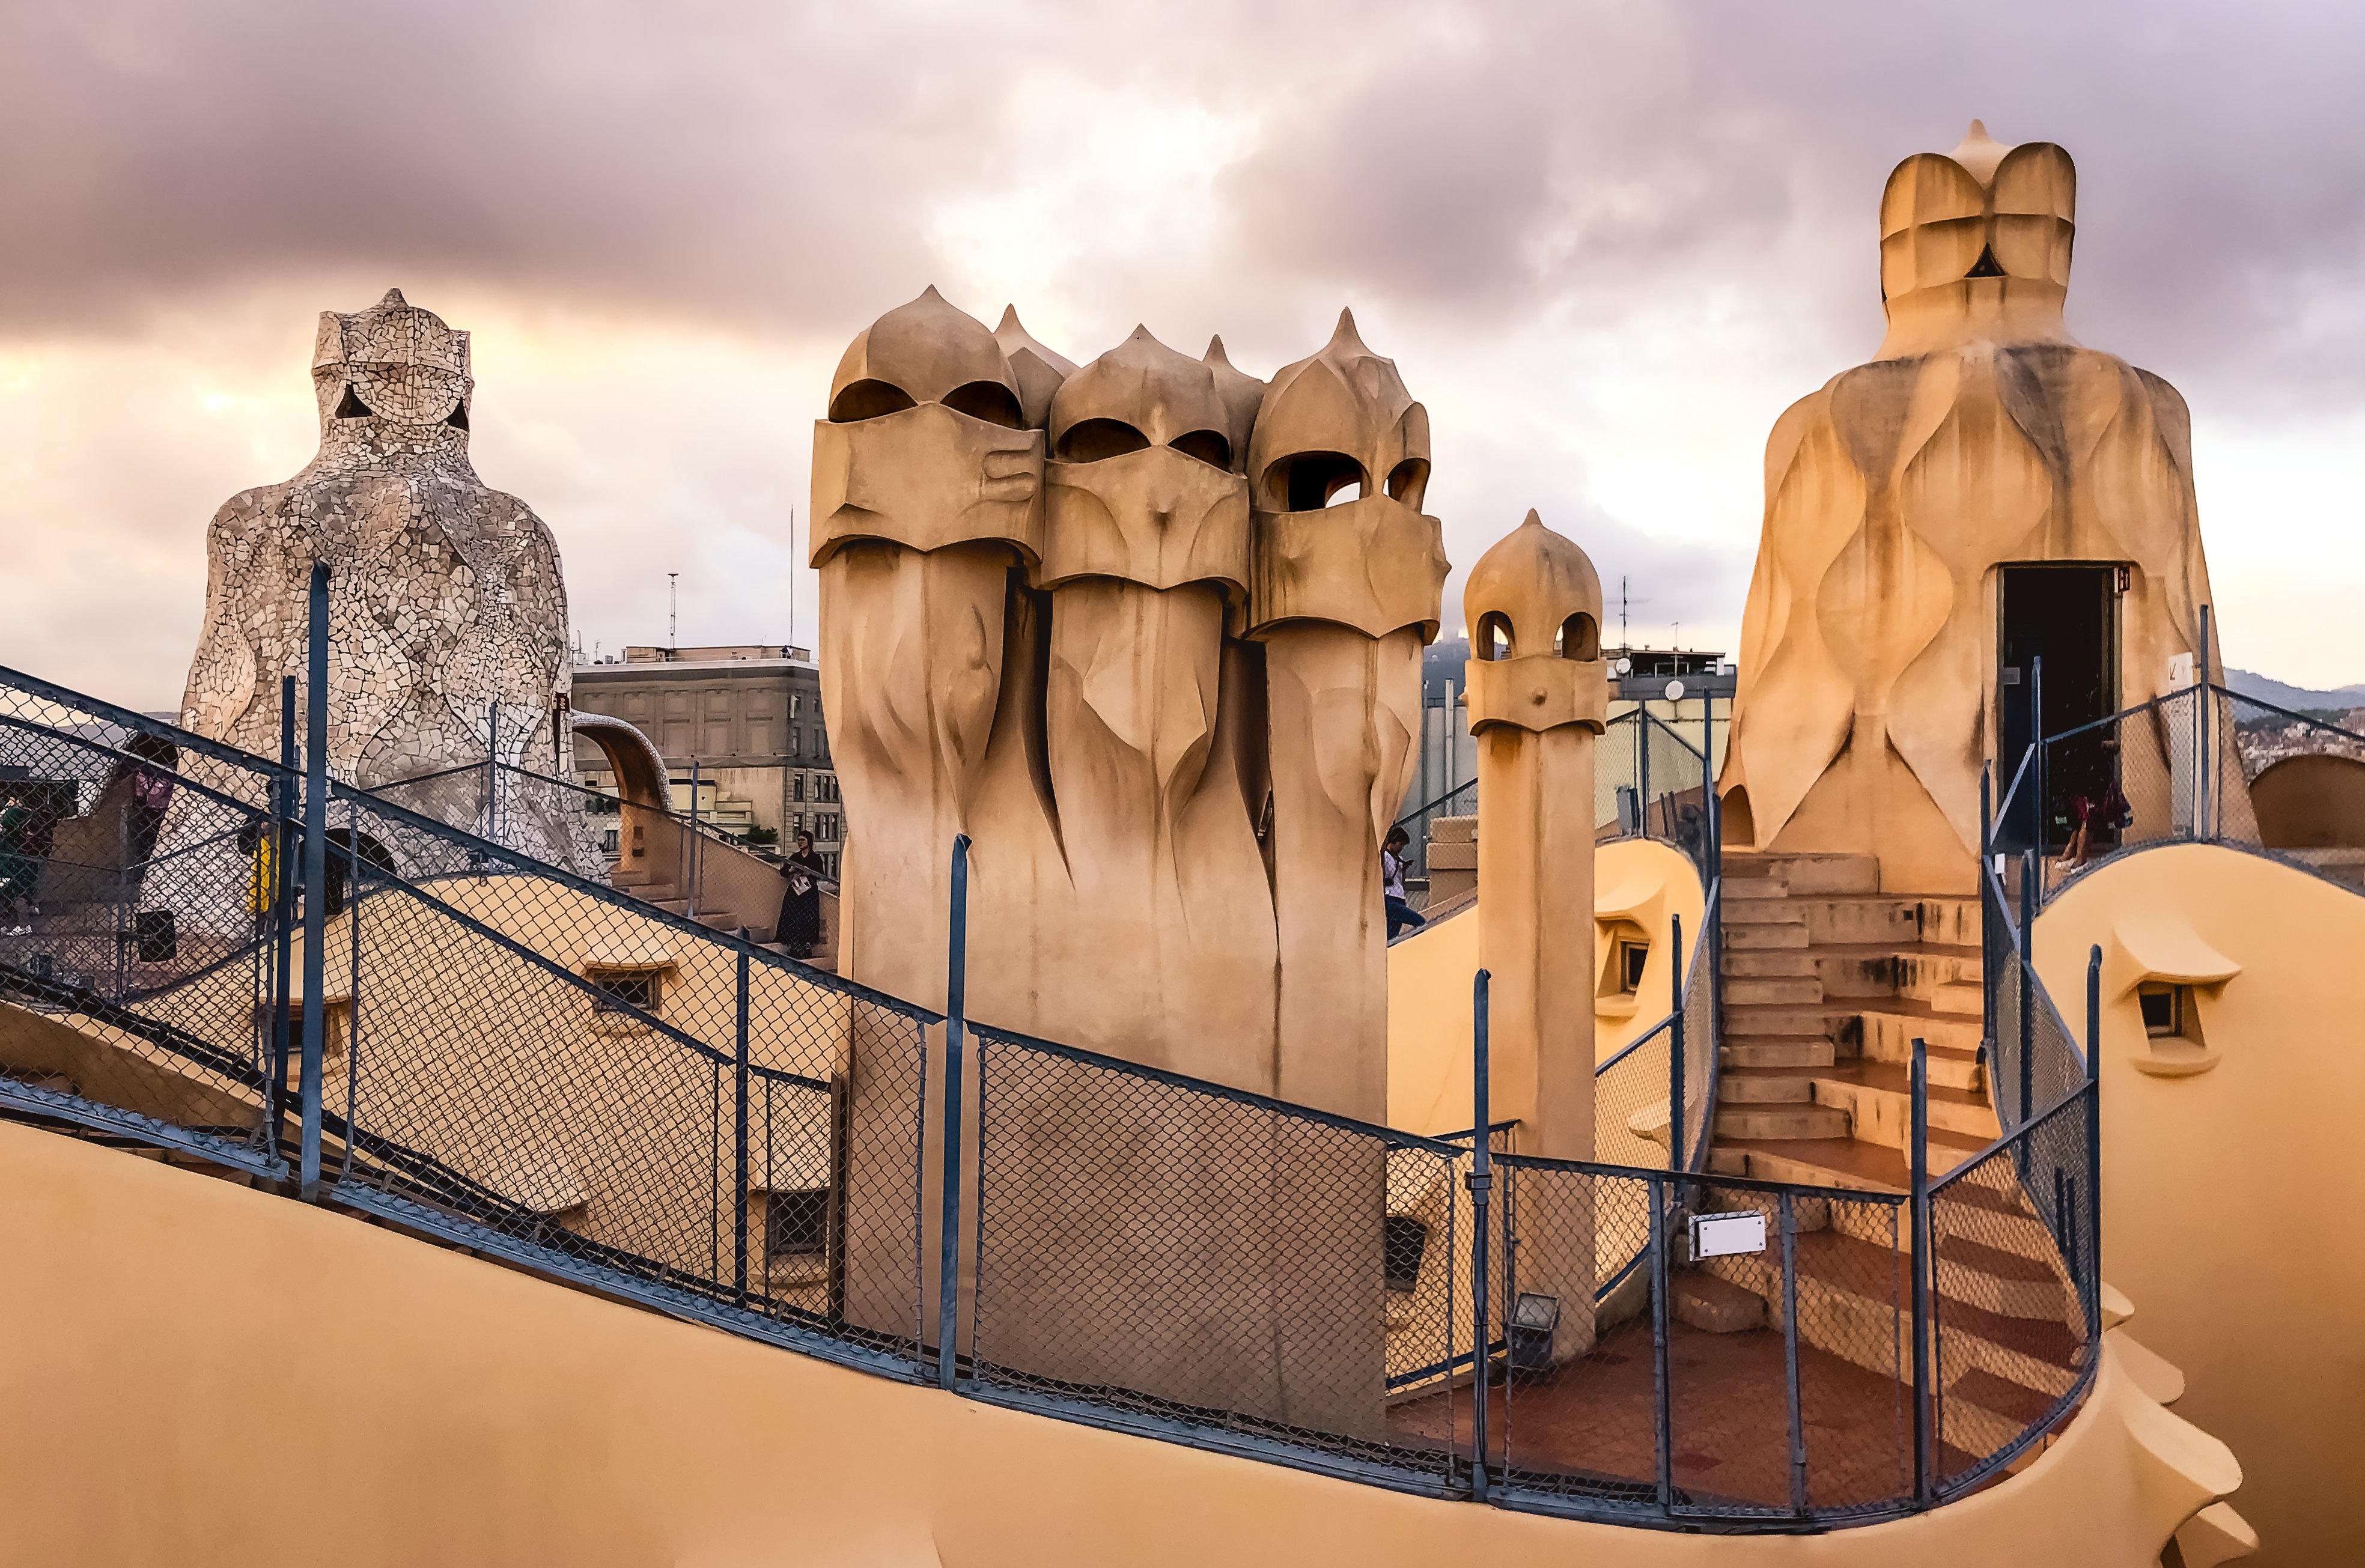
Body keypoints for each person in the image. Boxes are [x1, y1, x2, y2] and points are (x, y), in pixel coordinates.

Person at [776, 830, 827, 959]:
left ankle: (807, 944)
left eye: (803, 840)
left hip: (809, 893)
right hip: (795, 891)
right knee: (793, 915)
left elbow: (821, 874)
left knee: (808, 917)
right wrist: (791, 870)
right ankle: (793, 943)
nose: (800, 842)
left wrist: (810, 873)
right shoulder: (795, 857)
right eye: (798, 840)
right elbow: (783, 872)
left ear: (809, 841)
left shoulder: (815, 858)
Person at [0, 786, 38, 936]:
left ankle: (18, 925)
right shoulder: (30, 815)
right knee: (12, 893)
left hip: (11, 862)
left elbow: (4, 828)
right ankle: (12, 923)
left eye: (11, 799)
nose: (8, 802)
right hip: (21, 861)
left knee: (10, 893)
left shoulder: (14, 813)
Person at [1383, 825, 1425, 940]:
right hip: (1389, 897)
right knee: (1420, 921)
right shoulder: (1384, 856)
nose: (1402, 847)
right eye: (1400, 844)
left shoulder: (1399, 858)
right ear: (1393, 842)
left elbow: (1401, 881)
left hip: (1399, 897)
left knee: (1392, 935)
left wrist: (1404, 869)